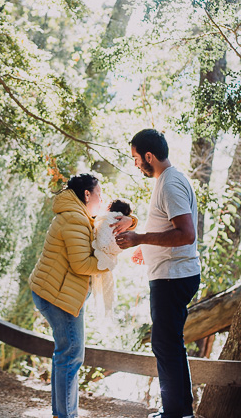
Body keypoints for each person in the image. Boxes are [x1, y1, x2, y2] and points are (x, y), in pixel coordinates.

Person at [29, 173, 134, 418]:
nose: (102, 199)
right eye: (99, 194)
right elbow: (81, 265)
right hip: (57, 296)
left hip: (55, 291)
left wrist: (130, 220)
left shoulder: (77, 213)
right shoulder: (76, 219)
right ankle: (66, 415)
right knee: (72, 353)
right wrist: (108, 264)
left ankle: (61, 414)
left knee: (65, 352)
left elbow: (109, 220)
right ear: (87, 194)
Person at [114, 129, 202, 418]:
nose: (136, 164)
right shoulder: (167, 180)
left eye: (136, 158)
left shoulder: (170, 184)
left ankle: (178, 413)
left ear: (149, 156)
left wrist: (140, 239)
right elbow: (169, 230)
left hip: (173, 277)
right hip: (169, 273)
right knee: (167, 342)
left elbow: (185, 234)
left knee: (166, 343)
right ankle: (178, 411)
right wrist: (147, 249)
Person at [90, 198, 133, 316]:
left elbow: (102, 236)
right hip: (109, 255)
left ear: (110, 207)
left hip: (99, 255)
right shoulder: (123, 222)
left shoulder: (106, 218)